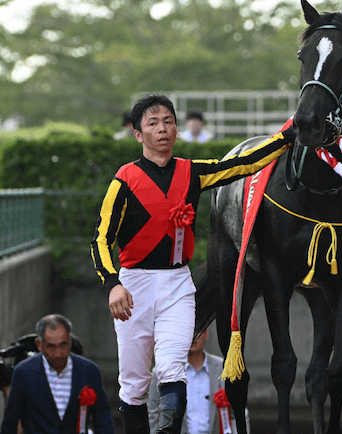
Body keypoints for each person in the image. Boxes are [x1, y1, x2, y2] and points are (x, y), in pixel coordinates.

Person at [90, 93, 294, 434]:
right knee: (134, 384)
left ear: (177, 128)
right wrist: (112, 285)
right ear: (138, 134)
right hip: (133, 285)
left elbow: (242, 166)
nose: (162, 129)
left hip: (177, 285)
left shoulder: (192, 172)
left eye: (168, 121)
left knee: (172, 367)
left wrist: (287, 136)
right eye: (153, 124)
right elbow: (100, 238)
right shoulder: (124, 179)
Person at [0, 314, 114, 434]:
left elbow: (103, 419)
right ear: (39, 344)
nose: (58, 353)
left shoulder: (89, 370)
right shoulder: (23, 372)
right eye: (51, 347)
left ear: (70, 341)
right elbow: (11, 422)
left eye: (63, 345)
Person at [148, 329, 249, 434]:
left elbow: (238, 412)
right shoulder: (163, 371)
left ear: (206, 334)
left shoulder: (224, 369)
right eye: (189, 329)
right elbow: (153, 414)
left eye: (198, 330)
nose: (193, 336)